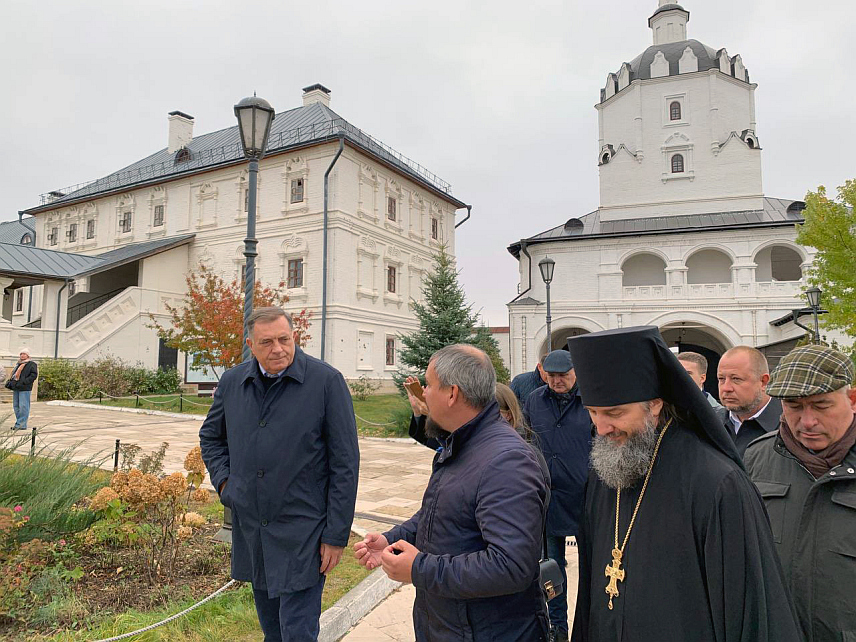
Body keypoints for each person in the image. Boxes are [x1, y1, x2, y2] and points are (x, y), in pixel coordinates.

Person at [568, 326, 801, 642]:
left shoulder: (716, 482)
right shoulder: (607, 469)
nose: (602, 427)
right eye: (592, 412)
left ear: (654, 404)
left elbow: (750, 612)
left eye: (614, 412)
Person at [356, 345, 550, 641]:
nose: (424, 396)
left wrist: (419, 569)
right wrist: (392, 539)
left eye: (429, 386)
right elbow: (438, 513)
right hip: (448, 624)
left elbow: (510, 566)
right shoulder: (461, 443)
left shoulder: (506, 461)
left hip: (490, 631)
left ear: (452, 393)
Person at [199, 307, 359, 642]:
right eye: (267, 342)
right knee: (272, 630)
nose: (278, 349)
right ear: (251, 345)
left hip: (305, 531)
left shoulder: (326, 382)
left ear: (294, 337)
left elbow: (345, 462)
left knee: (297, 632)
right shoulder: (232, 382)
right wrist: (226, 484)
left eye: (284, 339)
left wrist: (335, 535)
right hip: (254, 529)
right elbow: (211, 437)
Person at [744, 344, 856, 642]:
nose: (807, 422)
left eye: (821, 406)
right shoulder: (754, 459)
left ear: (853, 400)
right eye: (793, 406)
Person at [522, 349, 591, 642]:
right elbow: (524, 440)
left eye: (563, 375)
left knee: (593, 568)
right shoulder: (534, 401)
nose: (557, 381)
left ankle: (590, 626)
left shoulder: (590, 400)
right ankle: (557, 628)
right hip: (547, 500)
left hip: (585, 499)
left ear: (575, 373)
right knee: (551, 570)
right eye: (551, 376)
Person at [716, 346, 782, 457]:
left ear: (763, 381)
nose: (726, 388)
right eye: (721, 379)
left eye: (736, 379)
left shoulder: (790, 427)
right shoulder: (710, 424)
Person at [9, 348, 38, 431]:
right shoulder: (18, 364)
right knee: (16, 406)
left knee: (23, 406)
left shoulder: (32, 364)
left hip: (25, 388)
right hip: (17, 387)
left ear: (28, 355)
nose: (22, 355)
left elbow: (34, 375)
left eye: (24, 354)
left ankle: (21, 424)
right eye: (21, 354)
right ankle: (20, 422)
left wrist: (24, 382)